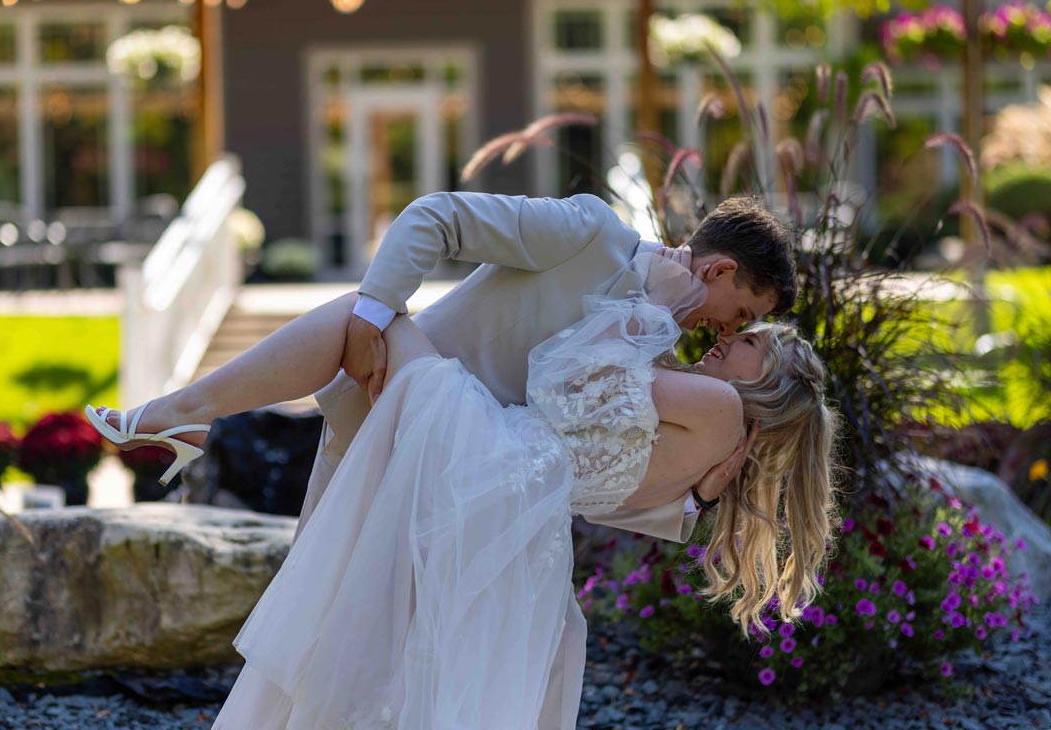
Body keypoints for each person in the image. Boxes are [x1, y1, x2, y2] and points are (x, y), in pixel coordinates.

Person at [203, 293, 838, 727]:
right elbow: (602, 493)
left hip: (489, 456)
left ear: (769, 380)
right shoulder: (705, 467)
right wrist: (696, 498)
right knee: (413, 669)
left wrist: (650, 306)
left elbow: (567, 380)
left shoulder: (720, 408)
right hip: (518, 520)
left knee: (369, 312)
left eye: (748, 341)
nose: (725, 338)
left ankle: (187, 411)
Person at [88, 192, 798, 547]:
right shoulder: (592, 234)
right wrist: (373, 318)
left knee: (356, 642)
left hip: (458, 484)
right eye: (738, 314)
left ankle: (182, 415)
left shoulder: (654, 346)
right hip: (388, 404)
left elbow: (594, 467)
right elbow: (435, 216)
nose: (726, 332)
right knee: (312, 616)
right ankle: (184, 411)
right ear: (719, 270)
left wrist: (694, 503)